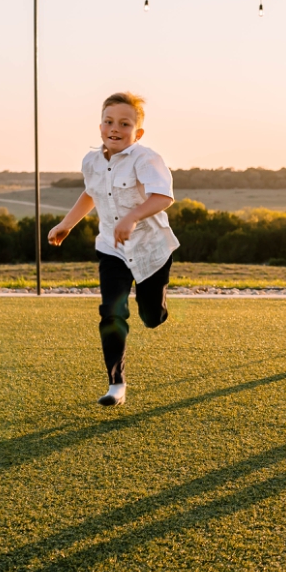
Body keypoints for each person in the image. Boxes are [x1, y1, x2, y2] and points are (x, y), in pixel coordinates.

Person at [47, 91, 178, 409]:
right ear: (100, 125)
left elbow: (163, 197)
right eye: (108, 121)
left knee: (151, 317)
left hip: (150, 249)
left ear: (138, 132)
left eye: (124, 123)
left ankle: (155, 307)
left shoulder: (146, 159)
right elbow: (90, 194)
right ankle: (116, 383)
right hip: (112, 249)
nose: (114, 128)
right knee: (111, 312)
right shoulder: (91, 161)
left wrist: (132, 218)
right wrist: (67, 224)